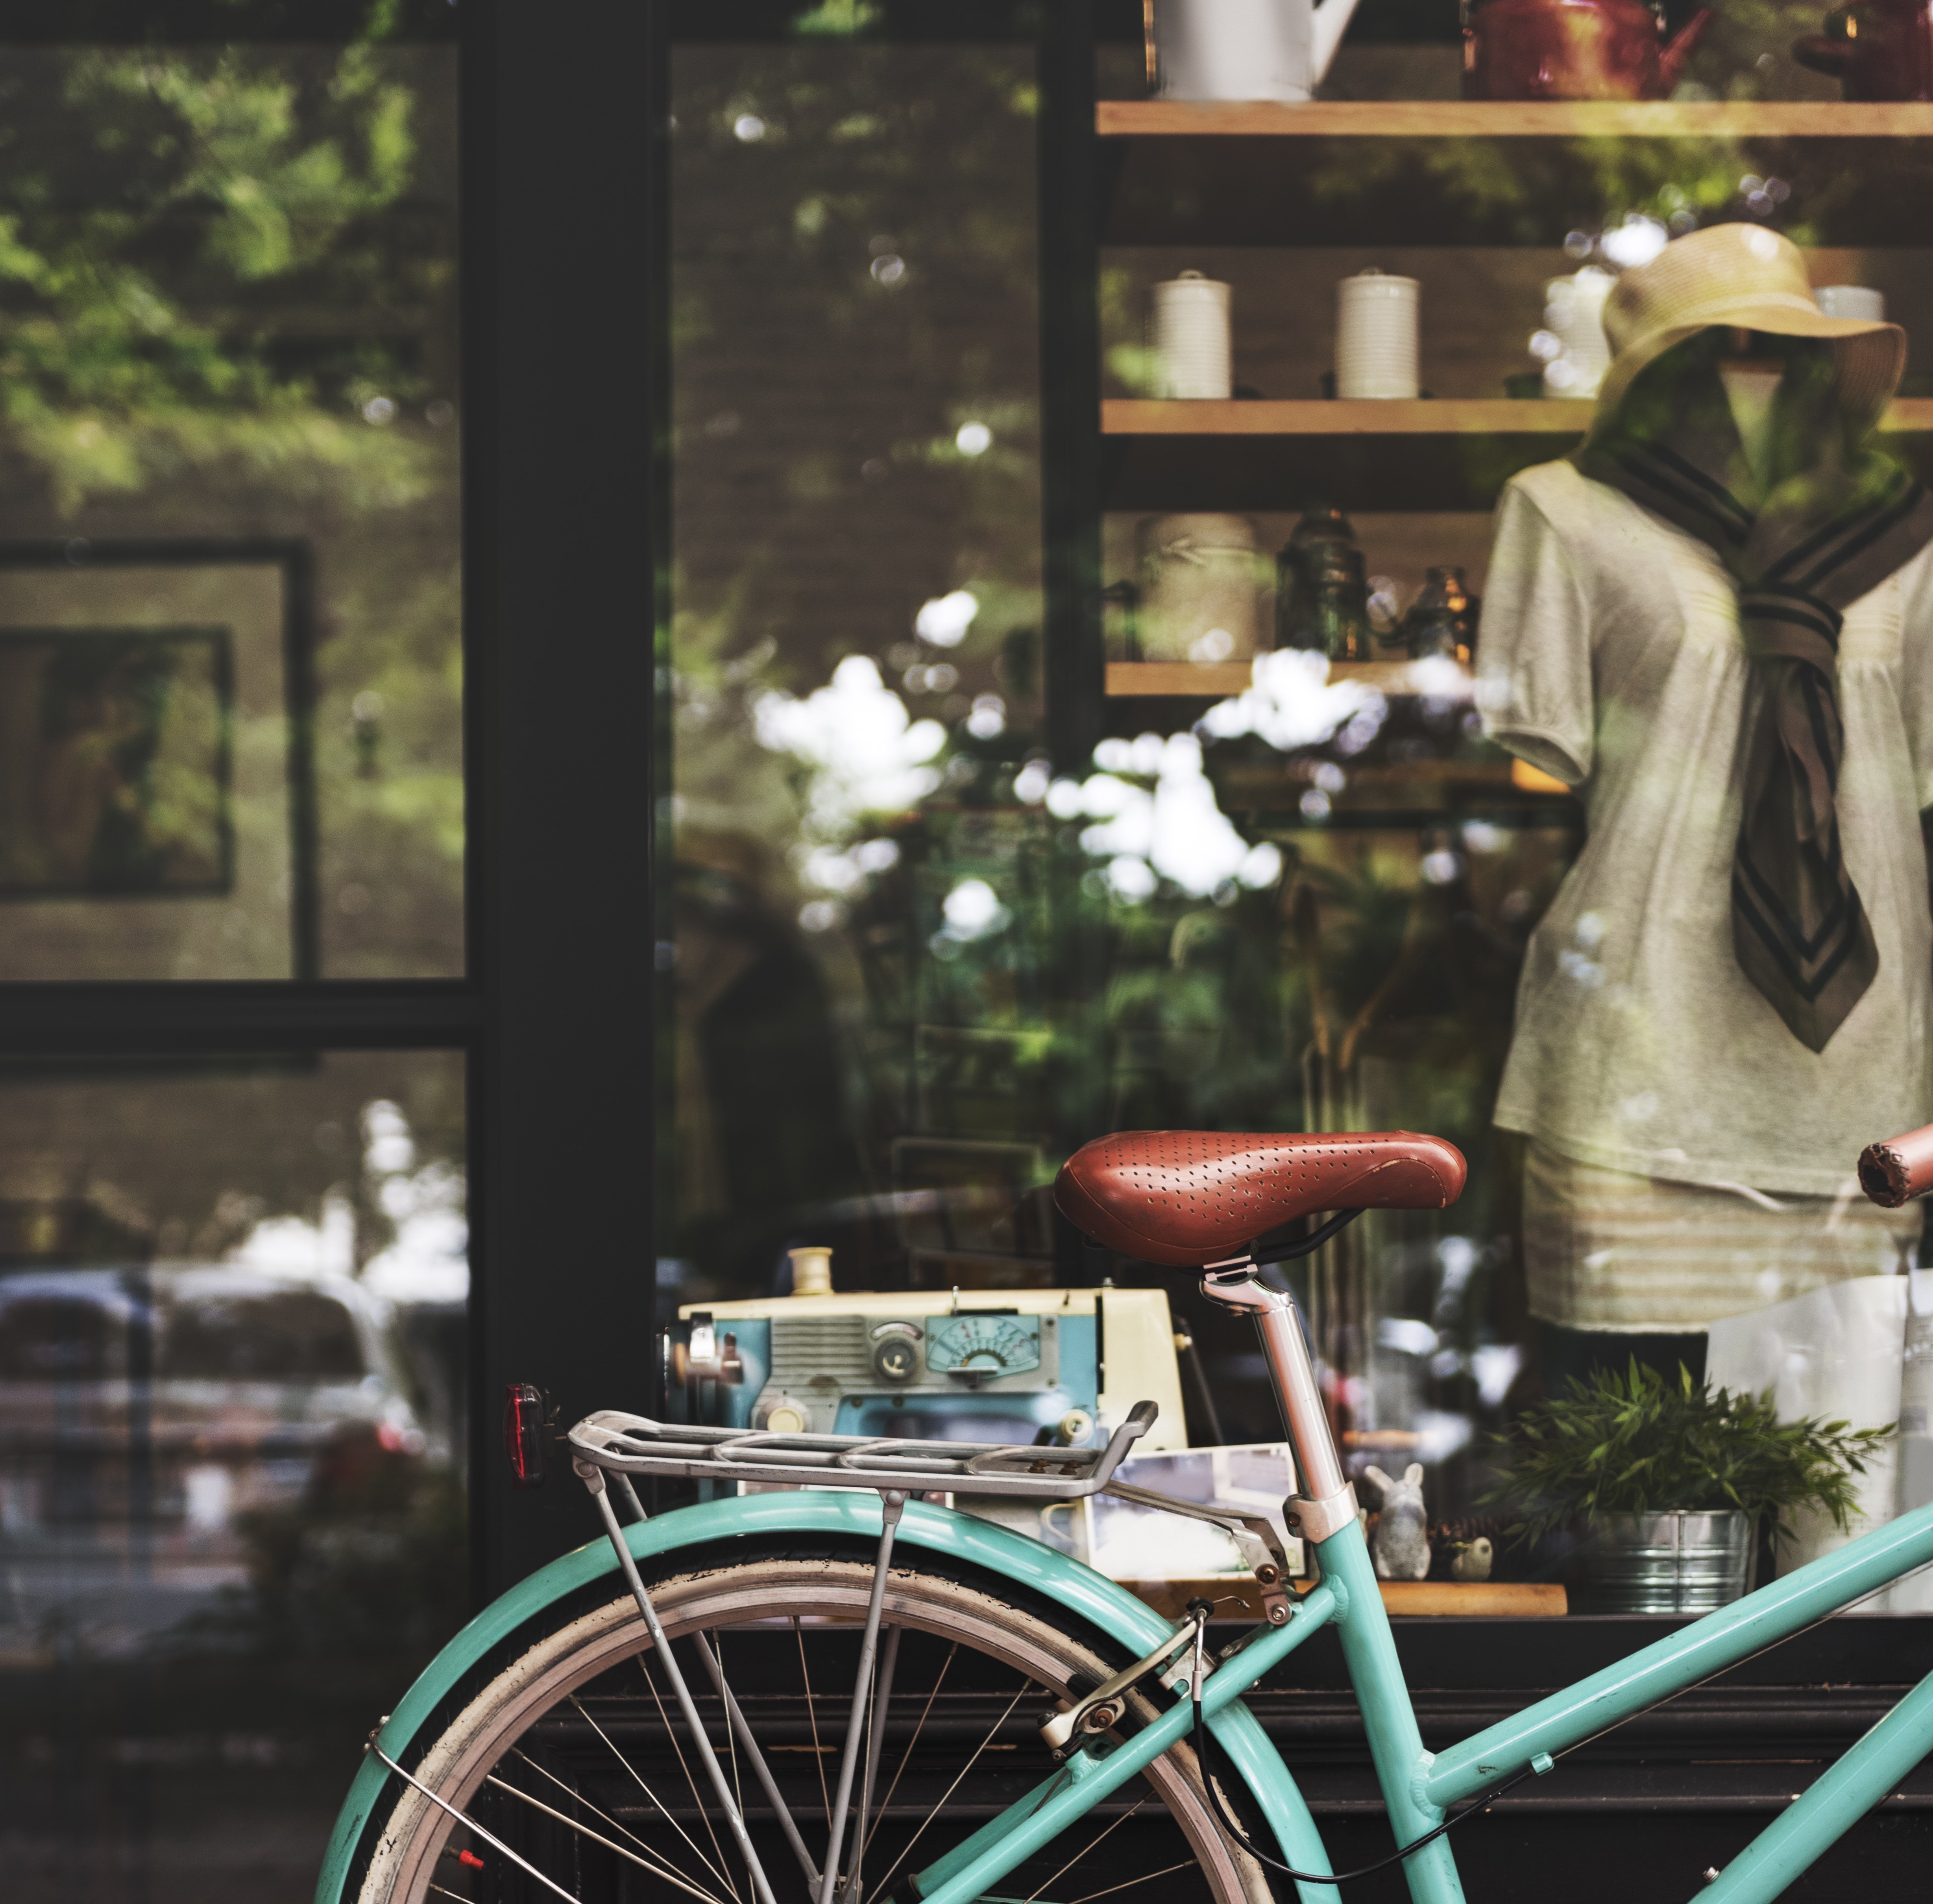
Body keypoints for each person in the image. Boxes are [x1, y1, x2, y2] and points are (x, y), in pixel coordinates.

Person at [1476, 225, 1931, 1390]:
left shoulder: (1911, 540)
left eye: (1784, 346)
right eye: (1725, 348)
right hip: (1635, 1065)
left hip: (1858, 1082)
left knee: (1847, 1480)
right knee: (1640, 1486)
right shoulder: (1563, 510)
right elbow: (1544, 769)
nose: (1758, 365)